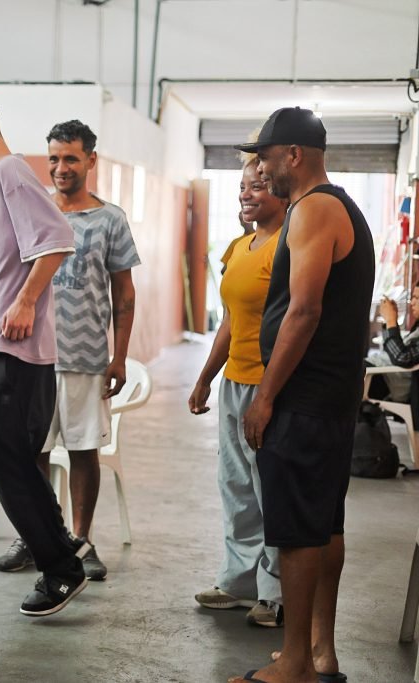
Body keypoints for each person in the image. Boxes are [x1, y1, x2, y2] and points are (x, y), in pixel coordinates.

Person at [230, 107, 374, 683]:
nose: (261, 170)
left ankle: (294, 663)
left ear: (292, 154)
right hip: (332, 396)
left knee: (296, 531)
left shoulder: (314, 208)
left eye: (266, 157)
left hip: (305, 399)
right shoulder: (340, 207)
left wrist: (265, 396)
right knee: (323, 525)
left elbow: (305, 309)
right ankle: (320, 652)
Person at [0, 91, 83, 617]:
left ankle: (61, 568)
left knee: (5, 457)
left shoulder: (9, 171)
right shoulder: (3, 179)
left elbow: (56, 239)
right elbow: (3, 268)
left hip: (18, 349)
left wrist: (26, 302)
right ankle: (60, 552)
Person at [0, 119, 139, 582]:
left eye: (71, 158)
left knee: (82, 450)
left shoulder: (109, 219)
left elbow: (125, 293)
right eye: (53, 158)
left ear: (91, 160)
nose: (60, 167)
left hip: (87, 357)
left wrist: (118, 356)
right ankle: (38, 538)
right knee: (32, 448)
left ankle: (80, 540)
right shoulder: (34, 211)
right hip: (32, 353)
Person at [189, 155, 289, 629]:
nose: (246, 194)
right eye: (243, 187)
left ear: (283, 190)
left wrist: (268, 394)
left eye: (258, 186)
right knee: (236, 488)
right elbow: (230, 321)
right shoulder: (239, 246)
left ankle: (275, 593)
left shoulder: (289, 248)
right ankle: (238, 582)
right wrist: (207, 375)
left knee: (271, 490)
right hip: (235, 383)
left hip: (272, 386)